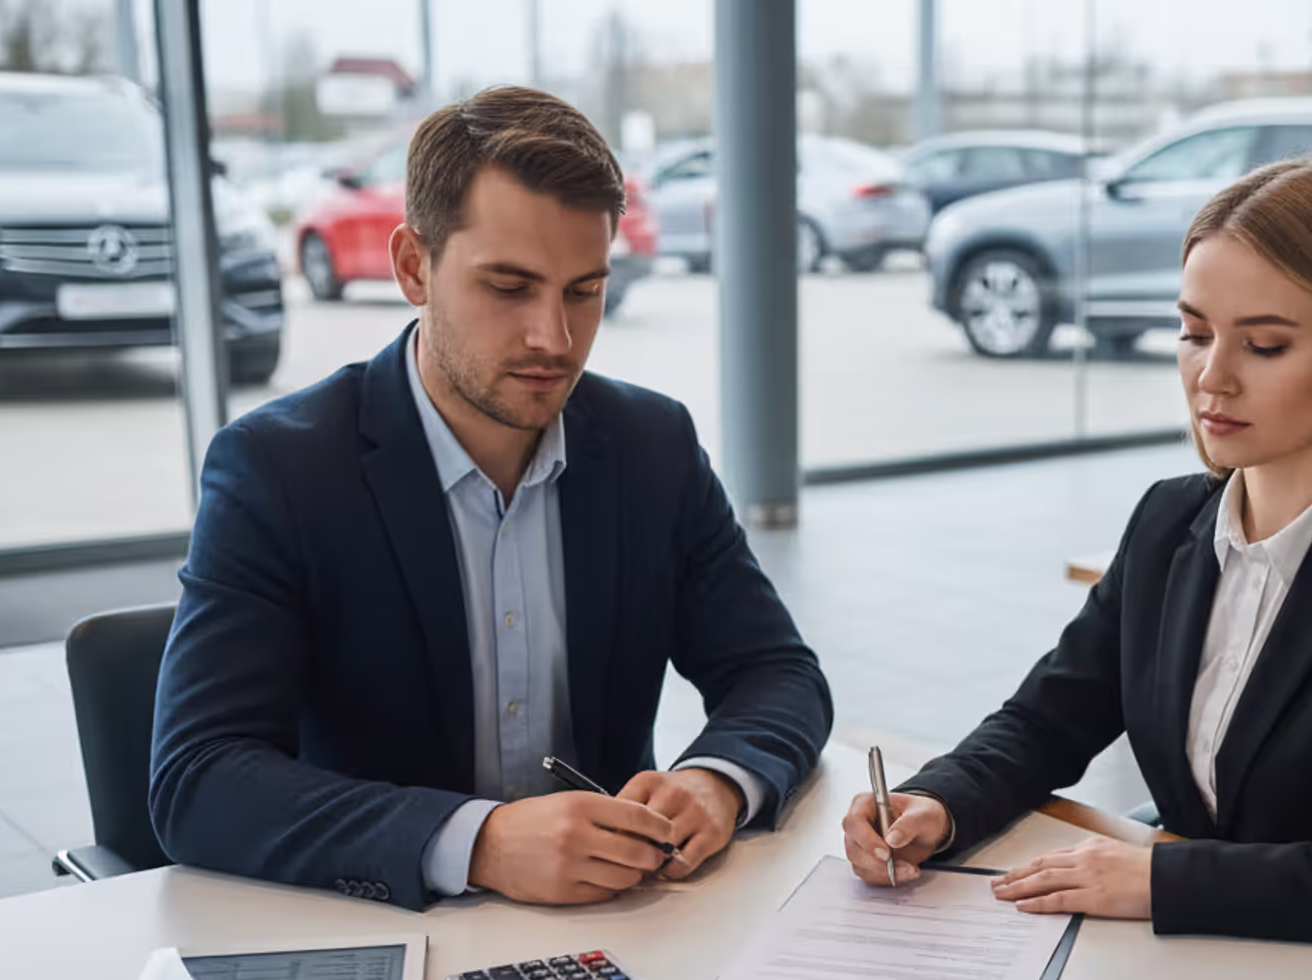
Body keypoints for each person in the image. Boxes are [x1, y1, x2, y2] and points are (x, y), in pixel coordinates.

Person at [152, 88, 832, 910]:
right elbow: (199, 778)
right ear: (413, 267)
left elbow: (774, 671)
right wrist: (479, 842)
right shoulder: (279, 470)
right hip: (386, 935)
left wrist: (717, 781)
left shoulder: (650, 445)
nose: (554, 337)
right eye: (509, 288)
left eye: (583, 291)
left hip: (618, 928)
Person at [840, 155, 1312, 950]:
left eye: (1265, 346)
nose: (1212, 377)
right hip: (1192, 977)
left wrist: (1163, 880)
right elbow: (1049, 718)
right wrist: (941, 800)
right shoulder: (1169, 520)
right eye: (1194, 332)